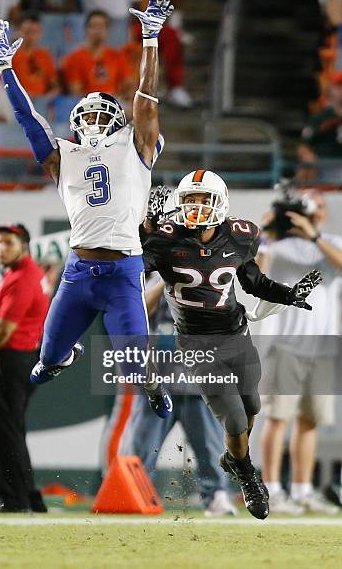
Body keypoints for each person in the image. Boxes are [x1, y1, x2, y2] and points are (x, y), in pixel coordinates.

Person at [0, 0, 173, 417]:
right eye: (85, 115)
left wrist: (150, 39)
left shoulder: (135, 144)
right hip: (79, 271)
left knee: (135, 365)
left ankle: (151, 380)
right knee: (47, 358)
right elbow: (28, 121)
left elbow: (146, 97)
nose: (91, 121)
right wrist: (5, 69)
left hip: (124, 271)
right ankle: (62, 359)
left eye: (100, 114)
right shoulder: (63, 156)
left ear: (118, 121)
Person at [138, 172, 322, 519]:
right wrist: (147, 224)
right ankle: (247, 474)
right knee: (235, 420)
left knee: (252, 408)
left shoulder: (239, 236)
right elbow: (130, 264)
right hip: (196, 344)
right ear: (179, 202)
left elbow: (254, 282)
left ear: (219, 201)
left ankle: (233, 458)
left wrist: (288, 294)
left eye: (203, 199)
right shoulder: (164, 239)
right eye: (190, 199)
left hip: (237, 335)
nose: (195, 206)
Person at [119, 274, 236, 517]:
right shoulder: (152, 278)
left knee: (210, 447)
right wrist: (165, 280)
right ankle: (132, 495)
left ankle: (216, 496)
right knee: (141, 447)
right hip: (157, 381)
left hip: (198, 382)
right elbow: (139, 310)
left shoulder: (208, 278)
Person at [258, 189, 342, 514]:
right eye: (309, 205)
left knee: (310, 420)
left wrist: (315, 235)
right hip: (285, 344)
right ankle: (272, 490)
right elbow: (258, 273)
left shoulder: (330, 242)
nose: (314, 210)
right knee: (278, 418)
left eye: (319, 206)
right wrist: (265, 233)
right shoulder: (277, 245)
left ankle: (302, 490)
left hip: (322, 346)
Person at [0, 224, 50, 513]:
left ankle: (15, 499)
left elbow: (5, 328)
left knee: (6, 432)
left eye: (8, 243)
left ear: (25, 245)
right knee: (12, 430)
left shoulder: (22, 277)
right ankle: (28, 495)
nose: (0, 248)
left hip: (11, 360)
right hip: (18, 359)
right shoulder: (23, 274)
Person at [61, 10, 133, 102]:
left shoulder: (117, 57)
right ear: (86, 29)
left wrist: (123, 95)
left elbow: (128, 84)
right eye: (94, 26)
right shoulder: (75, 58)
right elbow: (75, 91)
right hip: (87, 105)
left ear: (107, 30)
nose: (97, 31)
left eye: (101, 26)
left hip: (114, 102)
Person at [0, 13, 59, 98]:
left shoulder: (45, 55)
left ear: (40, 33)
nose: (31, 36)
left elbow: (55, 85)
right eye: (28, 32)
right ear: (19, 31)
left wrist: (48, 97)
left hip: (42, 101)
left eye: (35, 32)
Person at [298, 71, 342, 182]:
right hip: (324, 165)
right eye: (339, 87)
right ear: (332, 90)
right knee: (306, 166)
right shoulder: (321, 116)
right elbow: (303, 145)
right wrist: (308, 156)